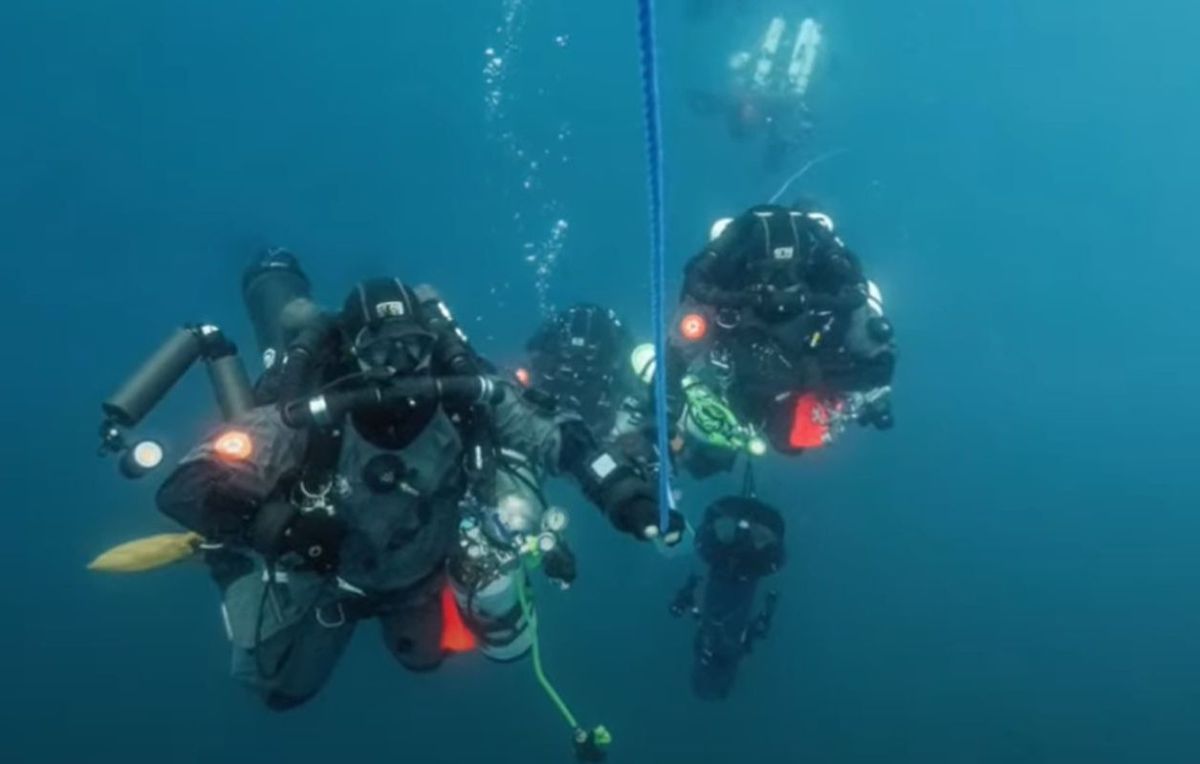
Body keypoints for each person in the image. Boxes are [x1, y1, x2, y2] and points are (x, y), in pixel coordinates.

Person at [151, 254, 686, 713]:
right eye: (380, 352)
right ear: (351, 352)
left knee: (426, 658)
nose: (399, 368)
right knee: (280, 689)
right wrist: (280, 528)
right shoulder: (309, 418)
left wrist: (627, 499)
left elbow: (561, 440)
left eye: (411, 348)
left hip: (417, 571)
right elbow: (186, 486)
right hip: (326, 574)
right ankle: (229, 565)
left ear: (431, 345)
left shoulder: (467, 400)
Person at [664, 203, 896, 474]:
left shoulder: (833, 289)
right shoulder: (725, 287)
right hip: (755, 388)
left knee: (786, 441)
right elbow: (679, 352)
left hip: (781, 386)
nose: (779, 285)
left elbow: (879, 365)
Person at [670, 494, 785, 700]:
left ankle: (743, 527)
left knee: (717, 541)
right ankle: (746, 528)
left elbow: (693, 598)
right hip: (742, 567)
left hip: (730, 565)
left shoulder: (725, 640)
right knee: (758, 550)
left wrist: (686, 595)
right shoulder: (736, 642)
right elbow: (758, 624)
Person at [689, 16, 823, 169]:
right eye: (753, 126)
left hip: (787, 43)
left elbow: (709, 100)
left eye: (749, 122)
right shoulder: (774, 112)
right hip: (799, 49)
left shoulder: (745, 93)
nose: (754, 120)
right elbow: (801, 120)